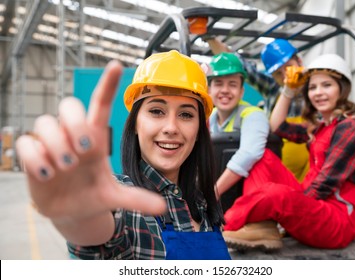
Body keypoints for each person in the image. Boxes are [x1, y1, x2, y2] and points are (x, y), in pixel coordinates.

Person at [15, 50, 231, 260]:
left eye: (186, 114)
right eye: (156, 111)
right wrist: (82, 215)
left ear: (198, 132)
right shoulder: (124, 203)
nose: (171, 127)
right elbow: (98, 234)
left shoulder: (204, 203)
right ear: (135, 124)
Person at [220, 53, 355, 250]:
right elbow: (276, 127)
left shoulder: (350, 128)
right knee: (263, 158)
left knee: (275, 194)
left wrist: (286, 206)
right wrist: (288, 90)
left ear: (342, 89)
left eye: (327, 85)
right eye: (312, 87)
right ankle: (260, 227)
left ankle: (220, 228)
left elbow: (324, 184)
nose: (318, 92)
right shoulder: (320, 127)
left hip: (337, 222)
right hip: (315, 206)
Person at [205, 37, 309, 182]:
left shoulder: (315, 91)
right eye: (278, 73)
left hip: (309, 173)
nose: (285, 76)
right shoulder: (273, 89)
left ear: (300, 61)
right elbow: (240, 65)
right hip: (278, 170)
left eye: (288, 67)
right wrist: (210, 38)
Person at [207, 52, 282, 249]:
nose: (225, 90)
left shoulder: (253, 115)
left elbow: (249, 153)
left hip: (246, 204)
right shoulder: (209, 118)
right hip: (221, 204)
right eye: (218, 83)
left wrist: (211, 193)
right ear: (209, 89)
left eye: (232, 84)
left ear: (241, 91)